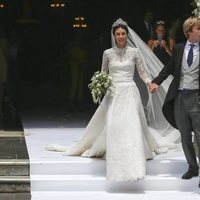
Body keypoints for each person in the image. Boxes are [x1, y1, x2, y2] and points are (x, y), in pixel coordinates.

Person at [46, 19, 180, 181]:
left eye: (123, 33)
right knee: (115, 122)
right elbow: (103, 73)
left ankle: (134, 152)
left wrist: (150, 84)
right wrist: (100, 85)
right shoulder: (108, 53)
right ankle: (114, 148)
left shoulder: (135, 52)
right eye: (118, 34)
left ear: (127, 35)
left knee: (131, 122)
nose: (121, 36)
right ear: (114, 36)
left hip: (130, 90)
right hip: (114, 91)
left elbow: (143, 73)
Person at [150, 16, 200, 182]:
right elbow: (169, 68)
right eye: (198, 28)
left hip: (196, 97)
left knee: (199, 136)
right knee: (185, 135)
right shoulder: (178, 49)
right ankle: (193, 167)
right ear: (189, 32)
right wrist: (156, 82)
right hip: (179, 97)